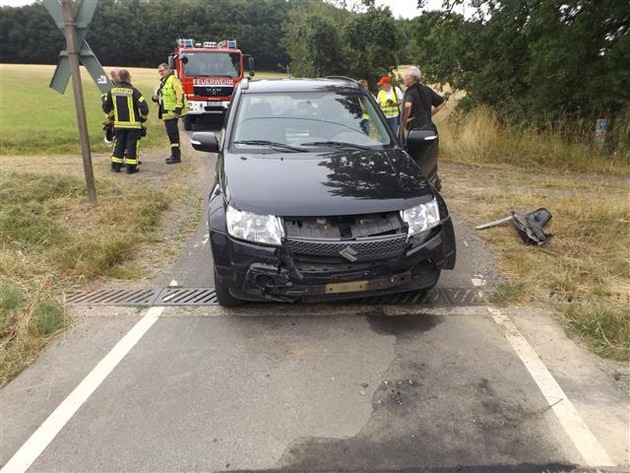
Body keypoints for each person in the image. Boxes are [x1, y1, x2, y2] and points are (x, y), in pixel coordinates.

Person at [102, 69, 149, 174]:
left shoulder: (112, 91)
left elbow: (105, 106)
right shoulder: (134, 91)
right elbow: (145, 108)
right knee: (132, 146)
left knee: (119, 145)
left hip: (119, 125)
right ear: (128, 78)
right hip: (133, 126)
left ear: (119, 78)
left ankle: (115, 167)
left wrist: (112, 117)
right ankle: (131, 168)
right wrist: (143, 118)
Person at [152, 63, 187, 164]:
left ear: (167, 69)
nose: (161, 73)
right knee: (171, 135)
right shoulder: (164, 81)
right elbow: (163, 96)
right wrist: (155, 98)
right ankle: (174, 155)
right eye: (159, 71)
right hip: (166, 112)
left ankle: (176, 156)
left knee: (173, 134)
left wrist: (178, 110)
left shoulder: (173, 80)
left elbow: (180, 95)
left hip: (172, 112)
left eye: (162, 71)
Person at [401, 66, 445, 139]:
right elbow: (442, 103)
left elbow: (408, 105)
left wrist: (405, 120)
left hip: (415, 130)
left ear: (412, 78)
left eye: (406, 76)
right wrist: (429, 115)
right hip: (429, 129)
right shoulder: (427, 89)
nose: (404, 78)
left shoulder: (410, 91)